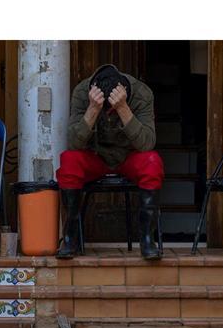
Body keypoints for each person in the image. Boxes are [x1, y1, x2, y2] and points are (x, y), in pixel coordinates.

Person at [56, 64, 164, 260]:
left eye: (110, 110)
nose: (108, 115)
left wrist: (122, 108)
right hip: (95, 156)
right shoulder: (82, 92)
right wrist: (93, 109)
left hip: (128, 157)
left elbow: (147, 144)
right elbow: (73, 143)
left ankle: (147, 238)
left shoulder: (142, 94)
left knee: (152, 162)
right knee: (69, 160)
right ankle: (70, 237)